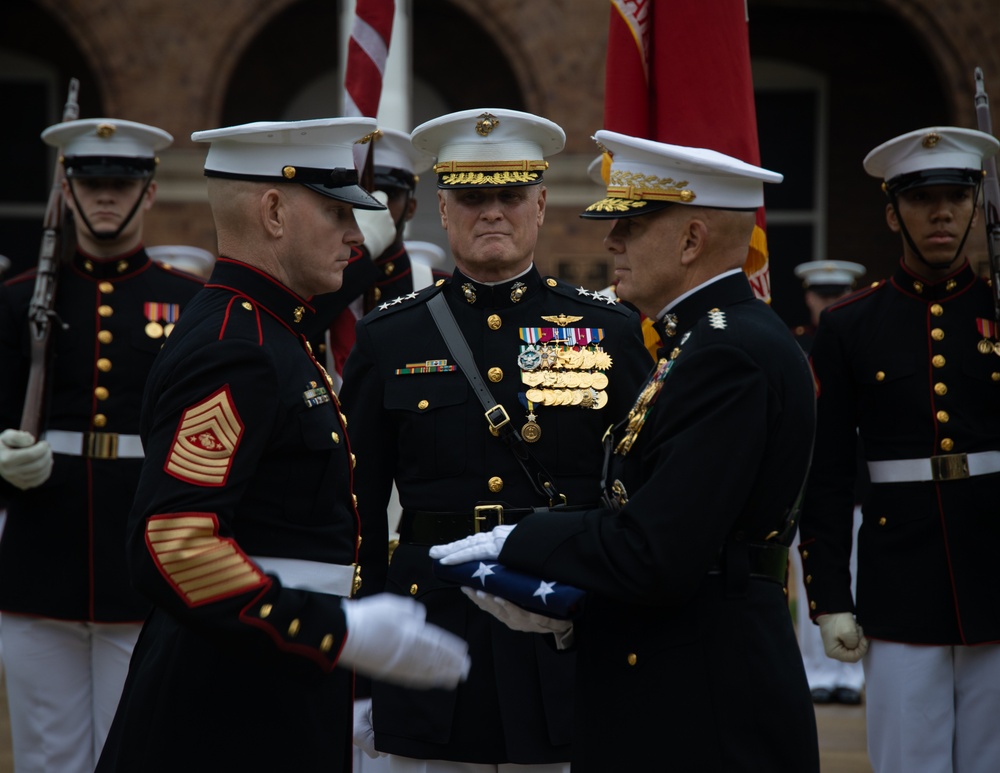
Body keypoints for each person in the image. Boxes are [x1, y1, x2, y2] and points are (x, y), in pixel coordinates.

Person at [430, 130, 821, 772]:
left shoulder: (725, 354)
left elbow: (657, 550)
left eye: (631, 225)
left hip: (703, 697)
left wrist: (523, 542)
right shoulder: (703, 344)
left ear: (692, 240)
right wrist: (573, 603)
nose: (611, 242)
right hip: (677, 666)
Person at [94, 117, 470, 772]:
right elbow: (174, 539)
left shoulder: (269, 331)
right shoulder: (237, 349)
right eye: (336, 213)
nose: (357, 236)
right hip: (229, 701)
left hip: (270, 676)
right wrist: (335, 629)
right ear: (273, 211)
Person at [339, 108, 652, 772]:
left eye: (510, 194)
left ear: (541, 205)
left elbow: (641, 493)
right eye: (473, 197)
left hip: (560, 626)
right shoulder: (390, 338)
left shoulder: (608, 332)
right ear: (442, 211)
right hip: (432, 629)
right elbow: (356, 506)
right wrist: (364, 664)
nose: (493, 212)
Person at [0, 117, 205, 772]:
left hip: (141, 559)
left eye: (121, 182)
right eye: (93, 184)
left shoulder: (188, 302)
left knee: (139, 751)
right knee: (46, 755)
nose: (107, 196)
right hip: (38, 555)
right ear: (67, 189)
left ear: (148, 193)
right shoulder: (13, 302)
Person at [796, 126, 1000, 773]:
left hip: (996, 572)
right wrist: (829, 595)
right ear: (893, 212)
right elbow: (825, 472)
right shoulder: (851, 324)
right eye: (922, 199)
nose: (941, 213)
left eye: (956, 197)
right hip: (900, 581)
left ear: (976, 206)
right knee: (909, 760)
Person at [314, 127, 449, 387]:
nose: (377, 203)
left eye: (391, 194)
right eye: (361, 194)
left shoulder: (438, 289)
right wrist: (362, 253)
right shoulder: (313, 285)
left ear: (410, 208)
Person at [789, 259, 868, 705]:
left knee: (854, 580)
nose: (830, 304)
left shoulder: (864, 341)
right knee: (811, 583)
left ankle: (850, 675)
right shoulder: (798, 346)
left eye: (838, 296)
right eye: (823, 296)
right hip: (809, 486)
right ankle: (816, 669)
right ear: (809, 298)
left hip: (857, 483)